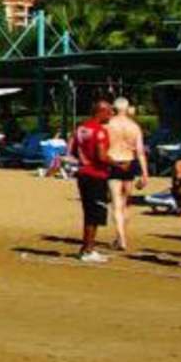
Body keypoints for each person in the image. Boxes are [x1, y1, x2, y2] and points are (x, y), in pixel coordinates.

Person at [71, 99, 115, 263]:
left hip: (83, 173)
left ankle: (87, 247)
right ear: (100, 112)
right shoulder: (99, 131)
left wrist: (84, 161)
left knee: (89, 211)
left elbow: (73, 150)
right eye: (109, 111)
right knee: (95, 213)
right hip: (96, 174)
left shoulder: (81, 129)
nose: (111, 115)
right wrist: (118, 164)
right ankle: (88, 249)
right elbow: (101, 156)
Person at [103, 98, 147, 251]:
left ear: (113, 109)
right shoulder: (134, 127)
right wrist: (145, 173)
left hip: (114, 162)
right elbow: (140, 152)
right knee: (126, 203)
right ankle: (121, 236)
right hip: (129, 162)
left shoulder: (108, 125)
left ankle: (121, 238)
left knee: (116, 203)